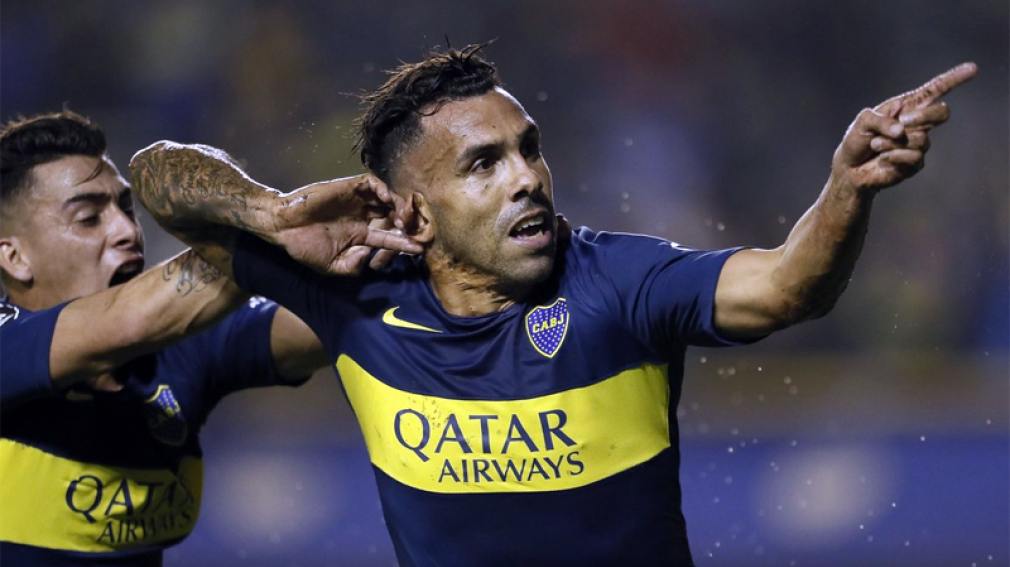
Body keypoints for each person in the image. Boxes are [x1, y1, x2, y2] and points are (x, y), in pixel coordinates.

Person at [130, 46, 976, 566]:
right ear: (413, 215)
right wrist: (271, 211)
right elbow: (157, 174)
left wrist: (847, 187)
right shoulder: (354, 291)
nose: (527, 177)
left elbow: (790, 287)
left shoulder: (619, 282)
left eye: (529, 149)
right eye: (484, 164)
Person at [0, 111, 420, 566]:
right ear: (14, 257)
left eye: (125, 208)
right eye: (87, 218)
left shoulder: (177, 347)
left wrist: (412, 242)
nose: (126, 231)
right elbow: (130, 318)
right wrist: (277, 229)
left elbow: (336, 317)